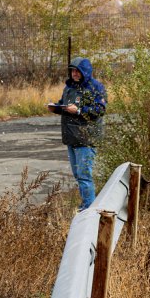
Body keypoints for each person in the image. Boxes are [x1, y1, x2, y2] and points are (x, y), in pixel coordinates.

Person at [49, 57, 107, 210]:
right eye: (72, 70)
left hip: (86, 139)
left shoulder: (95, 87)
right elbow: (64, 104)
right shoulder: (69, 87)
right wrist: (56, 107)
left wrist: (80, 110)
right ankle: (85, 205)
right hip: (71, 137)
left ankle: (89, 208)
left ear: (85, 72)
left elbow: (99, 110)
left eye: (77, 71)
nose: (74, 73)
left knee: (84, 176)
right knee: (78, 175)